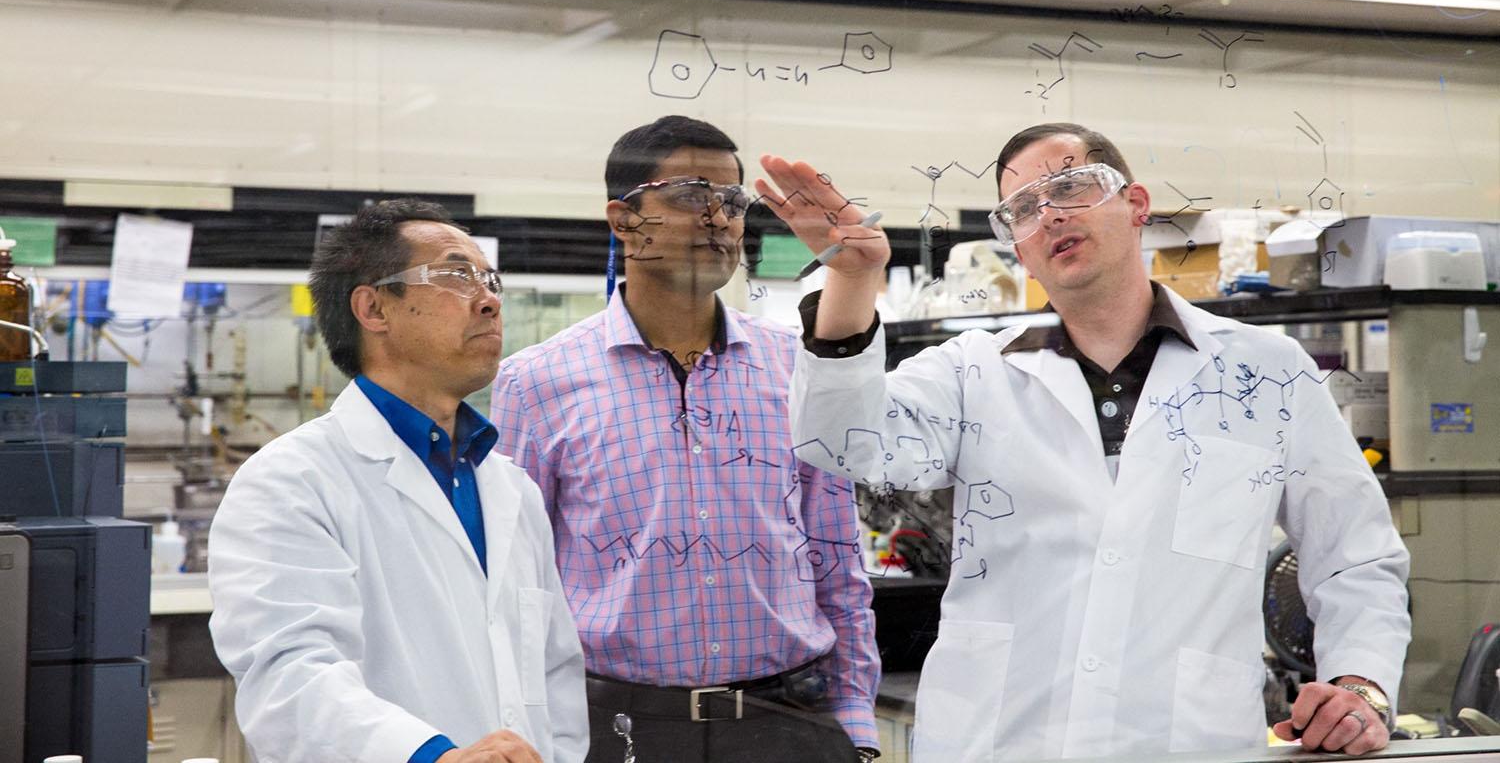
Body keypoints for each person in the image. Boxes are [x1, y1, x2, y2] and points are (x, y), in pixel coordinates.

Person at [757, 123, 1411, 762]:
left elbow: (1356, 555)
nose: (1048, 215)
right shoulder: (971, 372)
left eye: (1070, 188)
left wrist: (1362, 684)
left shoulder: (1268, 373)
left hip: (1186, 742)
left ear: (1135, 205)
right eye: (1022, 208)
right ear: (1018, 244)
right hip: (998, 741)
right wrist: (851, 279)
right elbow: (842, 444)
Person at [491, 116, 880, 763]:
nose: (720, 220)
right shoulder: (537, 386)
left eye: (732, 202)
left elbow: (838, 567)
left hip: (789, 727)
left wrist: (857, 731)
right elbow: (514, 592)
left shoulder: (797, 369)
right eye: (691, 197)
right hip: (618, 732)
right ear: (623, 220)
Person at [209, 199, 587, 763]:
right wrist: (430, 756)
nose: (489, 300)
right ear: (373, 307)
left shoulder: (510, 487)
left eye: (490, 279)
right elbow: (290, 678)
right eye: (457, 275)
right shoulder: (291, 482)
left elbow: (554, 675)